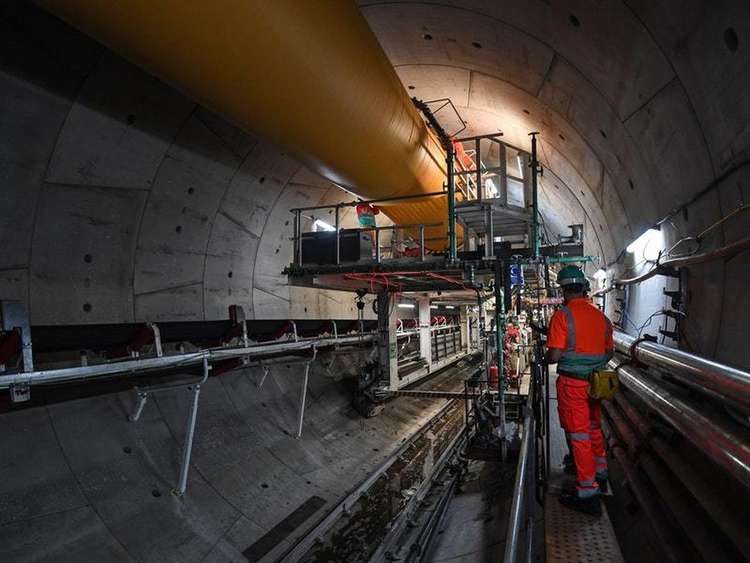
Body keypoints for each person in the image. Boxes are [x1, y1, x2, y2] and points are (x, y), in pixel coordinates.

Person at [545, 265, 613, 516]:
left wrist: (547, 356)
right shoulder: (601, 317)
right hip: (596, 382)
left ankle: (587, 492)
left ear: (563, 290)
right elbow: (609, 351)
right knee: (594, 429)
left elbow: (553, 356)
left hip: (573, 384)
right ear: (584, 289)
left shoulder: (563, 316)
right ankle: (600, 473)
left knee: (579, 435)